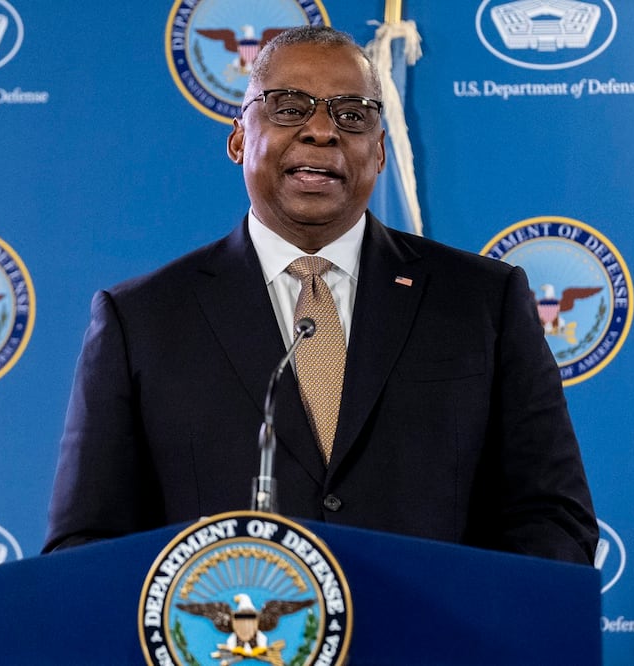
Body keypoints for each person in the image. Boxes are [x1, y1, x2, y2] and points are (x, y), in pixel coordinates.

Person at [43, 26, 597, 564]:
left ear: (379, 151)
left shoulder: (484, 302)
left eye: (351, 115)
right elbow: (87, 544)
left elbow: (553, 517)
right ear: (239, 138)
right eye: (288, 107)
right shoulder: (142, 320)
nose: (321, 131)